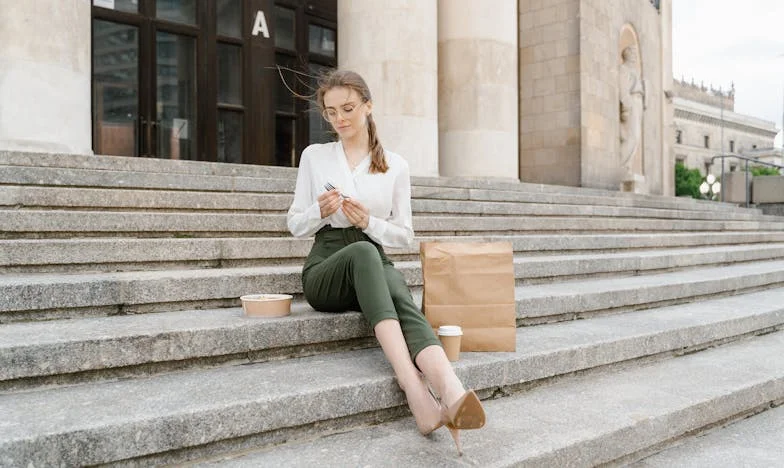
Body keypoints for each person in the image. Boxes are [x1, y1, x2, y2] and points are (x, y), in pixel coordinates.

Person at [286, 69, 485, 455]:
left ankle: (451, 390)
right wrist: (317, 211)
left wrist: (369, 223)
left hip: (372, 257)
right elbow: (294, 224)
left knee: (396, 287)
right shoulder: (314, 156)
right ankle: (414, 388)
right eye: (331, 112)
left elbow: (404, 235)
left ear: (368, 106)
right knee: (365, 254)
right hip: (327, 267)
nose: (339, 119)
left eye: (348, 108)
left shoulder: (395, 165)